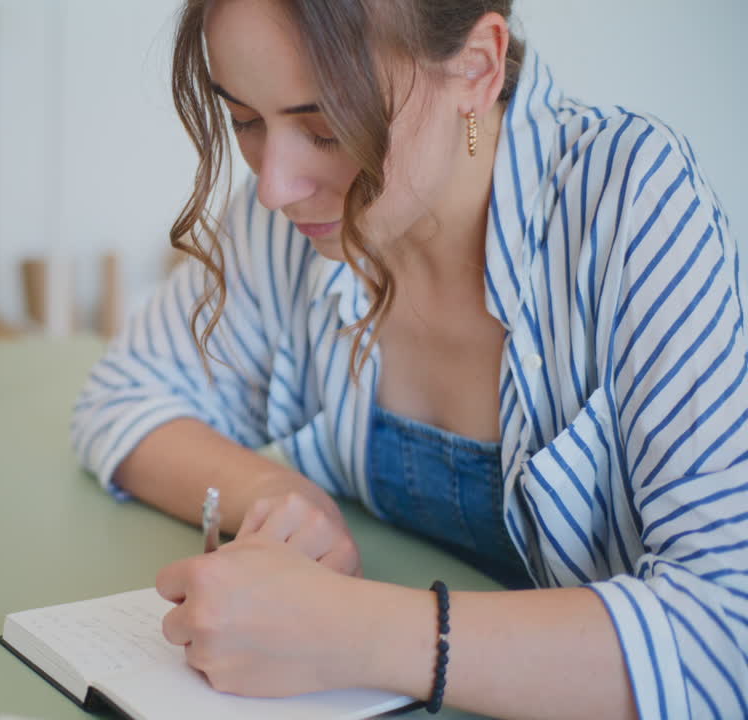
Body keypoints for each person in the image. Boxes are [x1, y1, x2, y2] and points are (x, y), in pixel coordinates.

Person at [69, 1, 747, 718]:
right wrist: (277, 498)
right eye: (245, 121)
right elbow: (121, 398)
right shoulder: (293, 223)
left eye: (326, 128)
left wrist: (348, 630)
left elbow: (727, 636)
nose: (274, 186)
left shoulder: (629, 201)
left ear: (477, 68)